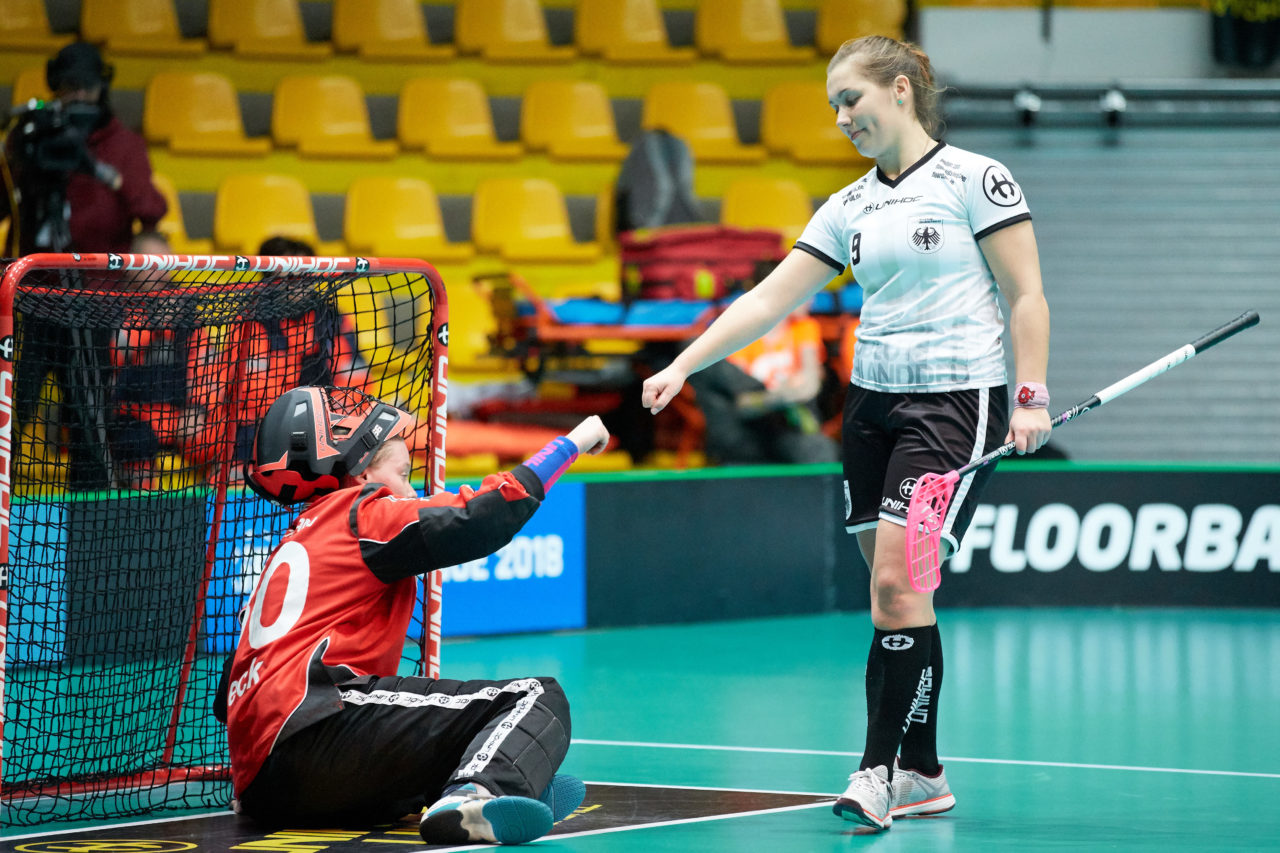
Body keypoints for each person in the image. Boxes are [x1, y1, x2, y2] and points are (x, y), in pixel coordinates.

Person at [642, 35, 1051, 832]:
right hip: (870, 409)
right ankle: (926, 772)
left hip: (954, 403)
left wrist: (1029, 397)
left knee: (898, 585)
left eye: (851, 99)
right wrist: (686, 364)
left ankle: (877, 770)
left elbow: (1026, 293)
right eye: (834, 105)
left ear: (900, 91)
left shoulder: (976, 179)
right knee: (897, 593)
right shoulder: (848, 204)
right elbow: (767, 301)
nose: (840, 118)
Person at [216, 385, 609, 845]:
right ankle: (472, 796)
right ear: (364, 477)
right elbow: (483, 516)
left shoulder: (298, 539)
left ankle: (492, 782)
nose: (410, 489)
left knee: (453, 732)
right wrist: (573, 443)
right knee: (535, 697)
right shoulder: (360, 511)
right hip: (319, 726)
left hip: (265, 785)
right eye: (403, 474)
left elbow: (229, 692)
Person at [687, 304, 839, 465]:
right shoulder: (746, 335)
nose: (812, 300)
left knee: (820, 448)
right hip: (750, 427)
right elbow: (742, 403)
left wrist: (769, 396)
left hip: (790, 425)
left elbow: (809, 388)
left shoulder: (804, 327)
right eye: (808, 291)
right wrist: (785, 394)